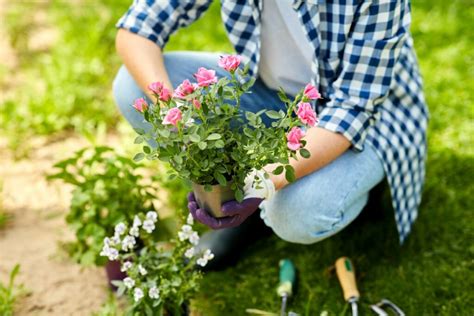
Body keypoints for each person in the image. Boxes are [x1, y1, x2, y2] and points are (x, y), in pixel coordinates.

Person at [113, 1, 428, 269]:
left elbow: (354, 107)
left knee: (295, 213)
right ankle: (244, 213)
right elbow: (138, 29)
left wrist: (265, 181)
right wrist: (176, 115)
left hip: (372, 115)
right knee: (132, 86)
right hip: (276, 94)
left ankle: (361, 188)